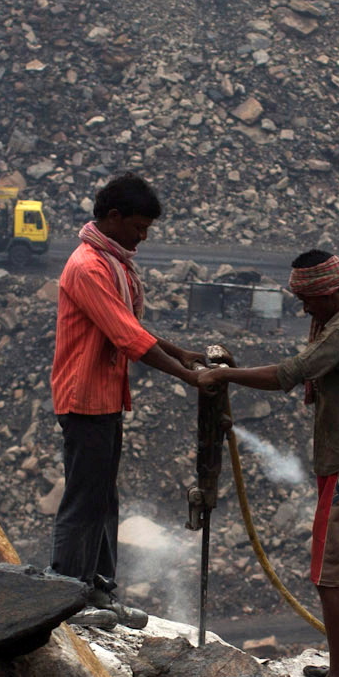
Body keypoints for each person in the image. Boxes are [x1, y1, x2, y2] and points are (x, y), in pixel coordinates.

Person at [197, 249, 339, 677]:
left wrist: (225, 377)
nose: (304, 309)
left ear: (328, 291)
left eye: (307, 299)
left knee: (326, 577)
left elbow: (290, 373)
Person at [49, 170, 202, 597]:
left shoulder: (110, 263)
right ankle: (67, 590)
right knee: (84, 501)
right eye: (138, 228)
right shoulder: (89, 268)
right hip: (85, 398)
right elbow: (127, 335)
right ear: (113, 218)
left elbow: (129, 325)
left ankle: (98, 584)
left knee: (102, 497)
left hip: (103, 398)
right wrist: (186, 374)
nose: (142, 238)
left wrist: (179, 352)